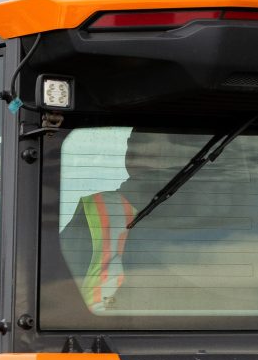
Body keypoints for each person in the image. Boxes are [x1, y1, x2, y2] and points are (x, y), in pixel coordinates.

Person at [59, 130, 191, 312]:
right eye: (134, 143)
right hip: (100, 333)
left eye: (147, 146)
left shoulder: (97, 210)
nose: (137, 151)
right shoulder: (96, 211)